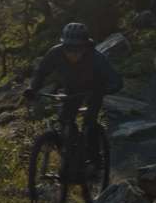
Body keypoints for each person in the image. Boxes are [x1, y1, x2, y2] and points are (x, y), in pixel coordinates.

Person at [23, 22, 123, 159]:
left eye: (78, 49)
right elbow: (41, 72)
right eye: (68, 48)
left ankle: (94, 159)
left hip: (94, 90)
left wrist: (107, 89)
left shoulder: (96, 58)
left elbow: (116, 80)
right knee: (65, 121)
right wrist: (32, 88)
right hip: (72, 89)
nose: (72, 53)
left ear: (85, 46)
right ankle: (71, 153)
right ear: (63, 45)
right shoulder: (55, 53)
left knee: (90, 123)